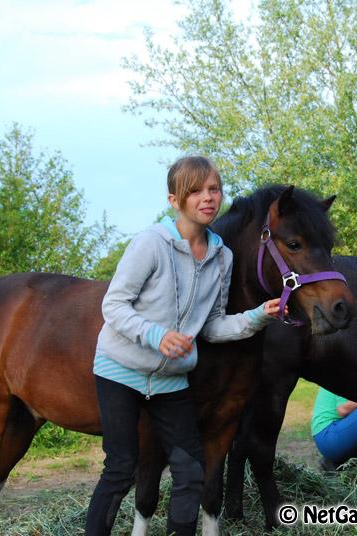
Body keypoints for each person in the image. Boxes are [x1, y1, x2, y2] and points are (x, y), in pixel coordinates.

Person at [85, 156, 283, 536]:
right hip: (120, 370)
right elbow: (112, 305)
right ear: (175, 200)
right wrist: (158, 336)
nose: (208, 198)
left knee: (191, 472)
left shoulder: (221, 257)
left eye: (214, 189)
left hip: (171, 379)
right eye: (195, 191)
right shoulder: (150, 244)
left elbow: (211, 326)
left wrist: (258, 315)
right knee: (122, 468)